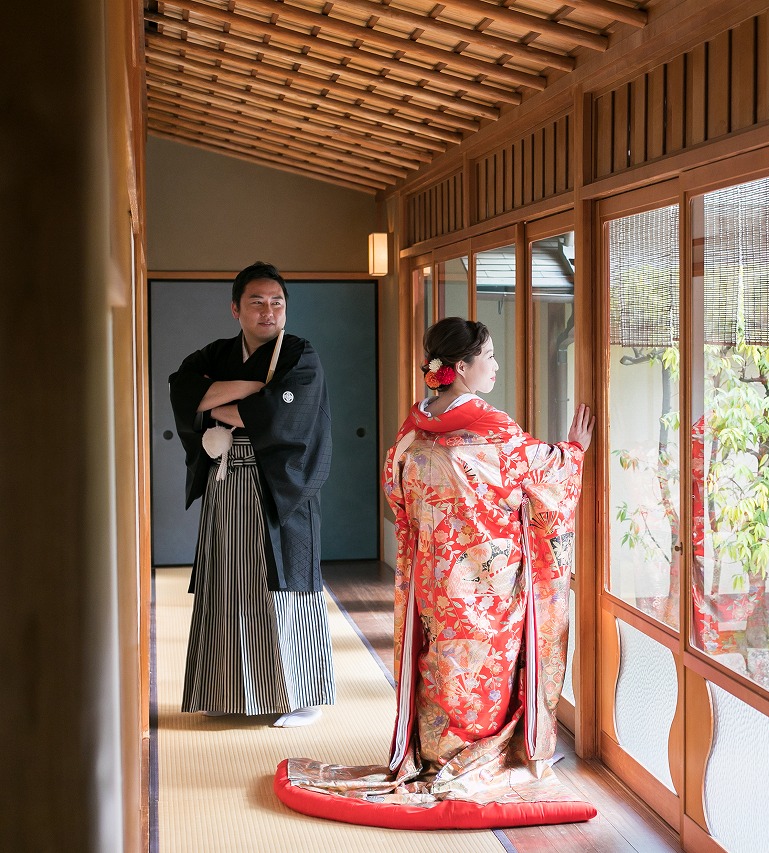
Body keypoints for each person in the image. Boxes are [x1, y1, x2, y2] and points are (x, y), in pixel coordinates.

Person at [275, 316, 597, 829]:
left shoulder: (414, 428)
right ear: (462, 367)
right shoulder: (493, 429)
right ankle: (473, 753)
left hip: (434, 573)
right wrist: (573, 450)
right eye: (488, 356)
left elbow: (396, 492)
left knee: (441, 660)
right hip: (488, 581)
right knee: (482, 669)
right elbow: (544, 476)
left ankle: (434, 751)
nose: (495, 365)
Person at [168, 261, 335, 728]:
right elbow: (183, 393)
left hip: (281, 488)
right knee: (225, 582)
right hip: (225, 483)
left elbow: (277, 416)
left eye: (277, 302)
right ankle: (224, 690)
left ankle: (303, 696)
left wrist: (220, 403)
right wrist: (255, 390)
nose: (268, 311)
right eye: (257, 302)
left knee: (284, 586)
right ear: (235, 309)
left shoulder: (300, 354)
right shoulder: (217, 353)